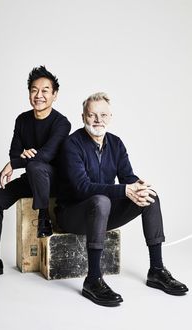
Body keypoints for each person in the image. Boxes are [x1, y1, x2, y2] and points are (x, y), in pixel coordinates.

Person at [56, 92, 188, 307]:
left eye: (103, 115)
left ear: (110, 117)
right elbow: (82, 188)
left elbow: (127, 178)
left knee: (151, 198)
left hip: (103, 214)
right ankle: (93, 279)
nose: (98, 120)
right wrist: (124, 189)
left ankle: (156, 270)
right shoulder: (72, 144)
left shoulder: (116, 144)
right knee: (100, 200)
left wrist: (139, 186)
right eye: (92, 115)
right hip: (73, 215)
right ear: (83, 117)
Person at [0, 66, 71, 281]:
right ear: (29, 93)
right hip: (32, 177)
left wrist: (17, 162)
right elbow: (14, 151)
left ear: (55, 95)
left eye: (45, 90)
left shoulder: (61, 123)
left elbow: (47, 155)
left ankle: (43, 218)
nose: (38, 95)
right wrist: (20, 159)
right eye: (34, 90)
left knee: (35, 166)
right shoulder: (22, 120)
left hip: (55, 181)